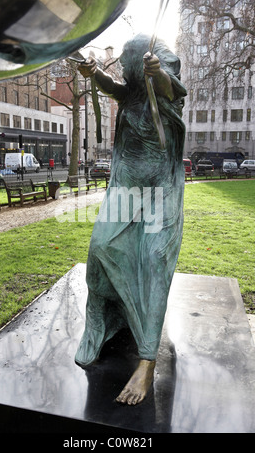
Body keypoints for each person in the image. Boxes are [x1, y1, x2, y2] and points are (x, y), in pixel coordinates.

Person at [75, 34, 187, 405]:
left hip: (161, 193)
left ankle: (147, 362)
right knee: (100, 247)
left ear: (143, 65)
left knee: (153, 262)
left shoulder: (162, 96)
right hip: (126, 192)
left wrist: (157, 74)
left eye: (127, 62)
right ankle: (105, 319)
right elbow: (113, 86)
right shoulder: (131, 95)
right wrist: (94, 74)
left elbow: (171, 90)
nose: (120, 67)